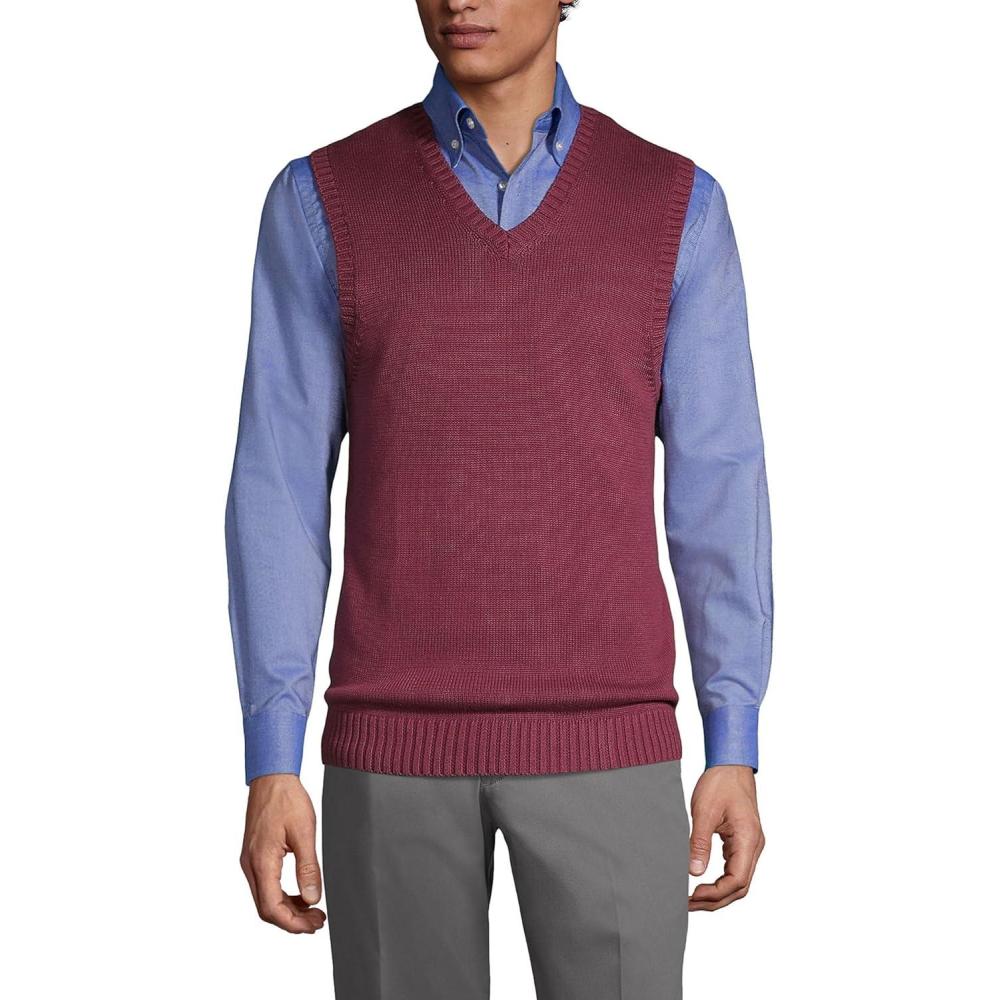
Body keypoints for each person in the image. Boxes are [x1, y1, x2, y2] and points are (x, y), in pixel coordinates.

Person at [225, 1, 773, 996]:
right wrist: (272, 758)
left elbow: (718, 489)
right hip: (390, 754)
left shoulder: (675, 205)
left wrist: (733, 740)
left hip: (610, 741)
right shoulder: (322, 200)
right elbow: (277, 489)